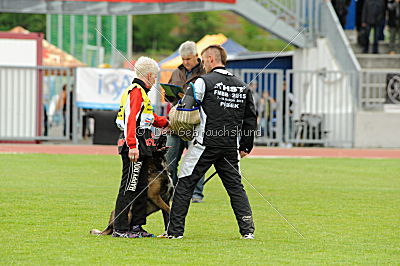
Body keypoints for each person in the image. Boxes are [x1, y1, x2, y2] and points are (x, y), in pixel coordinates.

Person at [166, 45, 257, 240]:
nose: (204, 64)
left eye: (204, 60)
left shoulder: (202, 82)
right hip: (230, 146)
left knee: (185, 183)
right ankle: (247, 230)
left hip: (205, 143)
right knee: (235, 187)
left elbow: (186, 107)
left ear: (210, 59)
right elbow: (250, 117)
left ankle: (174, 232)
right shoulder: (242, 85)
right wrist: (246, 146)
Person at [112, 56, 169, 238]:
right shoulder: (136, 92)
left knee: (140, 187)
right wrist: (132, 146)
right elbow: (131, 121)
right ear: (150, 75)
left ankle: (137, 226)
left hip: (143, 145)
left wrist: (168, 122)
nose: (155, 82)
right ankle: (120, 229)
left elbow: (150, 118)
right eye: (155, 78)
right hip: (135, 145)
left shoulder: (142, 93)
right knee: (129, 186)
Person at [165, 41, 206, 203]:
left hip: (196, 121)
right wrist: (169, 94)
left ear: (196, 56)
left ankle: (196, 193)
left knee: (196, 159)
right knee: (170, 158)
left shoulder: (205, 72)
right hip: (176, 122)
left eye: (188, 59)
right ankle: (172, 190)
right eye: (183, 59)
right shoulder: (176, 72)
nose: (185, 62)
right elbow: (169, 97)